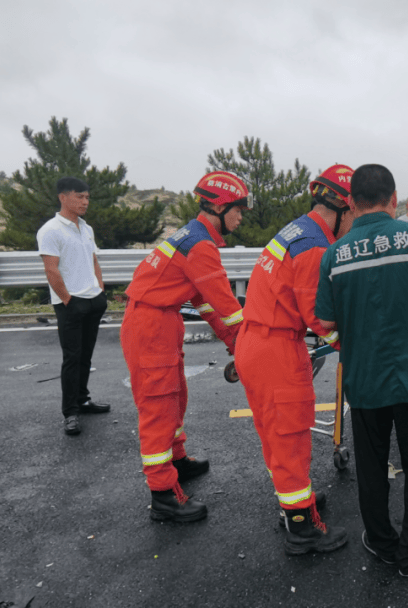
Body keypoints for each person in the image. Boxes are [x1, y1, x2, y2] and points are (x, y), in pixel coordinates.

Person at [315, 164, 408, 577]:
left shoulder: (335, 253)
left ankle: (380, 541)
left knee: (373, 467)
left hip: (363, 378)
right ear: (395, 199)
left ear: (349, 202)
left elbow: (324, 322)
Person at [236, 165, 354, 554]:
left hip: (255, 342)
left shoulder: (297, 230)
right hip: (277, 349)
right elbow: (319, 319)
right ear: (342, 208)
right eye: (354, 217)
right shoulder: (315, 246)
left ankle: (293, 504)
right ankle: (303, 529)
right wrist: (354, 346)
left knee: (275, 435)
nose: (353, 226)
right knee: (290, 438)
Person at [121, 170, 250, 523]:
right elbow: (226, 305)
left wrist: (231, 339)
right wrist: (247, 343)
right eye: (238, 209)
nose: (241, 216)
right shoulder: (200, 246)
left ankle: (176, 460)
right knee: (158, 406)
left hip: (161, 320)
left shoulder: (192, 238)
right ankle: (164, 495)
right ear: (221, 207)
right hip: (151, 325)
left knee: (175, 395)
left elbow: (204, 302)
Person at [38, 177, 111, 436]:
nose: (85, 202)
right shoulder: (50, 230)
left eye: (87, 197)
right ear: (63, 197)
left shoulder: (86, 228)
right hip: (71, 303)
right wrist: (67, 298)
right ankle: (70, 412)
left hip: (93, 300)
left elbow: (93, 259)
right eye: (79, 197)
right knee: (72, 358)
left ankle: (83, 400)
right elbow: (51, 268)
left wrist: (99, 289)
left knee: (86, 356)